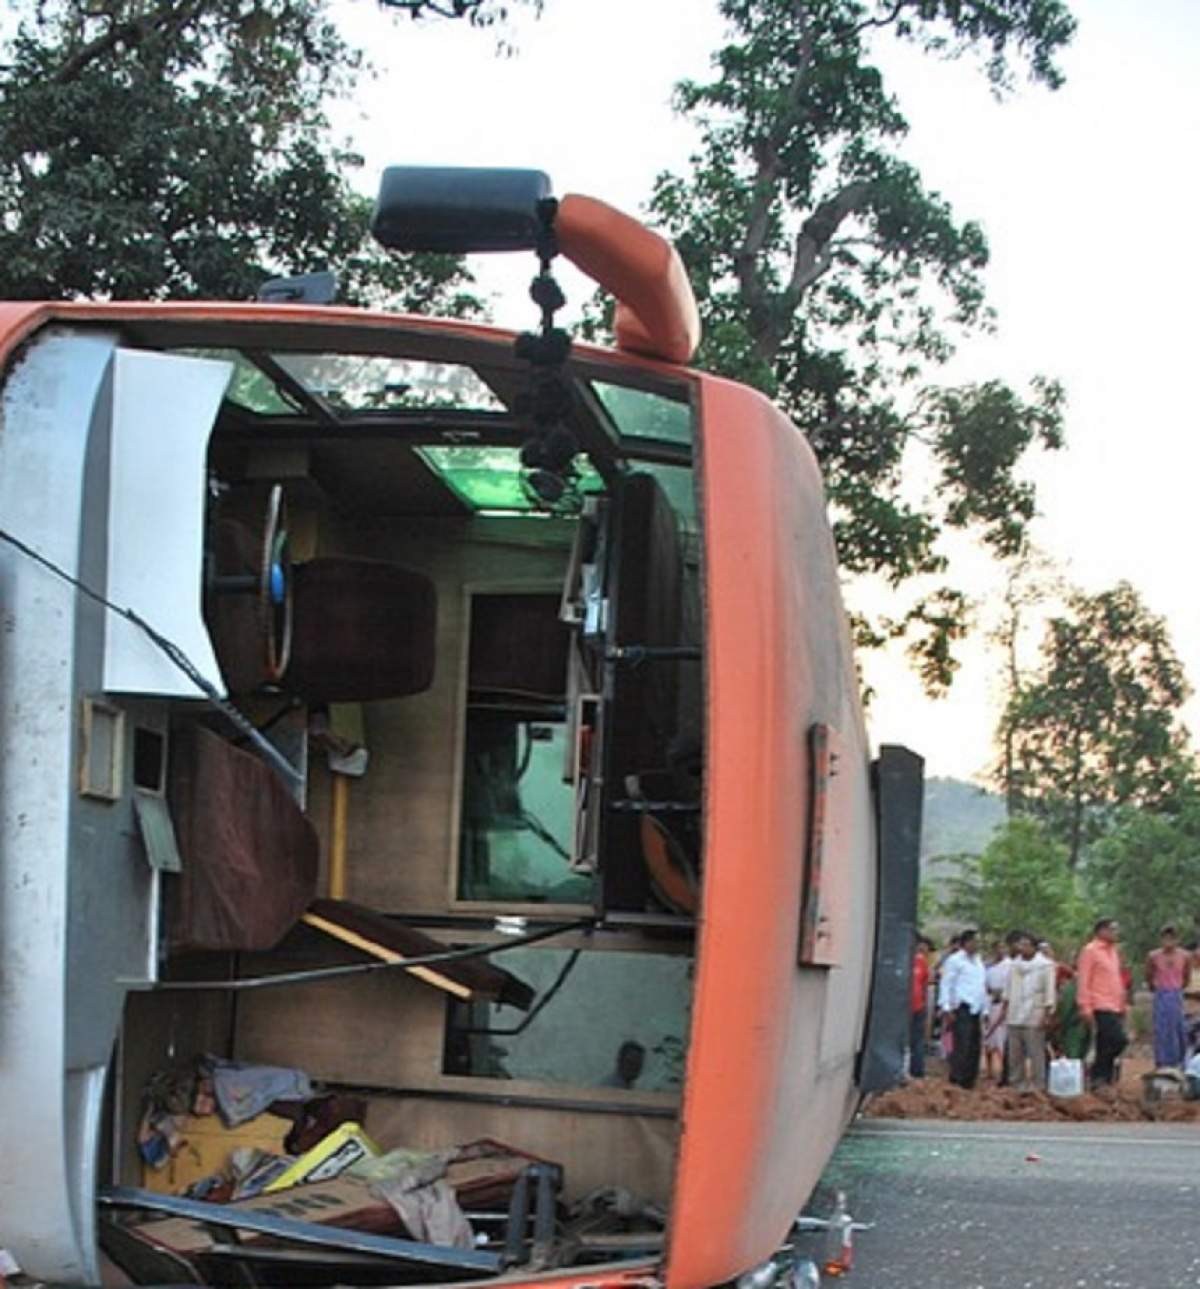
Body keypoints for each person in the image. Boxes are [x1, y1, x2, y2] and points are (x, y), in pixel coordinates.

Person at [999, 931, 1056, 1092]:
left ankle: (1039, 1084)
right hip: (1015, 1012)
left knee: (1036, 1051)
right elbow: (1008, 990)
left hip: (1034, 1013)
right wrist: (1004, 1010)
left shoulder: (1045, 965)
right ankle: (1016, 1083)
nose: (1022, 948)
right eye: (1020, 945)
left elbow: (1049, 992)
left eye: (1026, 945)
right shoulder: (1014, 965)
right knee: (1015, 1053)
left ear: (1033, 947)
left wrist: (1047, 1014)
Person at [1077, 917, 1129, 1088]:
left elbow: (1116, 979)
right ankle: (1098, 1073)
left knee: (1106, 1042)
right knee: (1119, 1040)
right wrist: (1085, 1006)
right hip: (1099, 1004)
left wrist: (1122, 1004)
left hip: (1114, 1004)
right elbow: (1084, 980)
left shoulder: (1113, 952)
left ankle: (1101, 1079)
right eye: (1112, 929)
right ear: (1101, 931)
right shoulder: (1090, 951)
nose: (1116, 933)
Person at [939, 928, 987, 1089]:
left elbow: (981, 986)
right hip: (961, 1007)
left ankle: (969, 1080)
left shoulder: (979, 961)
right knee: (962, 1045)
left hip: (976, 1008)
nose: (977, 945)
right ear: (965, 943)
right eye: (974, 941)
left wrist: (985, 1009)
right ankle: (957, 1079)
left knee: (974, 1045)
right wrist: (946, 1007)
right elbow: (946, 984)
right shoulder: (955, 960)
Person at [1146, 924, 1192, 1069]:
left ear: (1177, 939)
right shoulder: (1153, 956)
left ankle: (1178, 1062)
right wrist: (1157, 987)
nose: (1169, 941)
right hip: (1161, 994)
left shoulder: (1185, 956)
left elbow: (1186, 977)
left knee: (1178, 1029)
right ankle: (1162, 1062)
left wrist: (1177, 988)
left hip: (1176, 993)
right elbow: (1149, 975)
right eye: (1166, 938)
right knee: (1162, 1029)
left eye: (1172, 938)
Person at [983, 940, 1013, 1081]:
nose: (1000, 950)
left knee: (1001, 1037)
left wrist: (1000, 994)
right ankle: (989, 1069)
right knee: (988, 1038)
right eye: (997, 947)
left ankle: (1003, 1070)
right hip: (989, 1003)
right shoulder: (988, 967)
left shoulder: (1010, 966)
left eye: (1003, 947)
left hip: (1003, 1004)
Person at [910, 936, 933, 1078]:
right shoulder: (903, 959)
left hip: (918, 1006)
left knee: (918, 1040)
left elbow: (925, 984)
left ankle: (917, 1070)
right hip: (902, 1008)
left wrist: (924, 1003)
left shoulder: (921, 961)